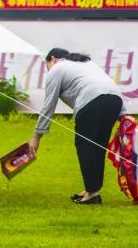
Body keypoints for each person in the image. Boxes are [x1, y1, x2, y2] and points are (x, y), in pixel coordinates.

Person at [28, 48, 125, 205]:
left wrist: (36, 137)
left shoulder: (57, 69)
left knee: (85, 146)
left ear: (52, 59)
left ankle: (92, 193)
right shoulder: (87, 63)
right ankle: (92, 189)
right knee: (98, 146)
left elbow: (48, 105)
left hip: (92, 102)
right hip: (115, 101)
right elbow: (108, 85)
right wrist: (123, 114)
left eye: (47, 65)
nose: (47, 70)